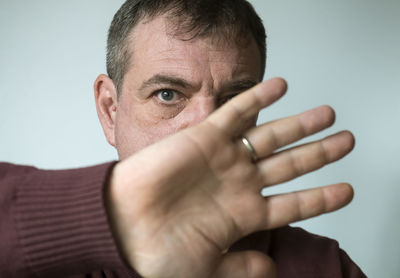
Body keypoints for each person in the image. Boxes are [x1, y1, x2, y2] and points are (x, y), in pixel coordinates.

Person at [0, 0, 366, 277]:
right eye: (168, 94)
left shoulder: (327, 268)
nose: (208, 131)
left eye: (234, 100)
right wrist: (108, 217)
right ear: (110, 109)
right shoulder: (38, 265)